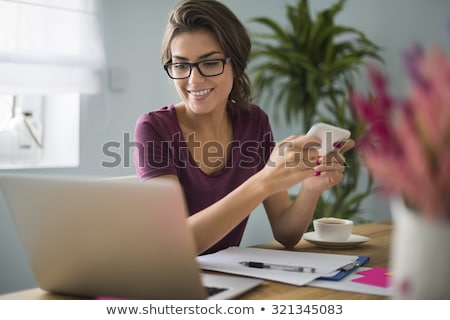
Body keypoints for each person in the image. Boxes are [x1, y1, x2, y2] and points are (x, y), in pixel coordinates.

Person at [133, 0, 354, 255]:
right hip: (171, 280)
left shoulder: (254, 122)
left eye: (210, 62)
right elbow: (175, 244)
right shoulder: (154, 128)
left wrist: (310, 189)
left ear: (236, 64)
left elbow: (286, 233)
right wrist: (264, 181)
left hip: (227, 281)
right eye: (181, 65)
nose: (194, 80)